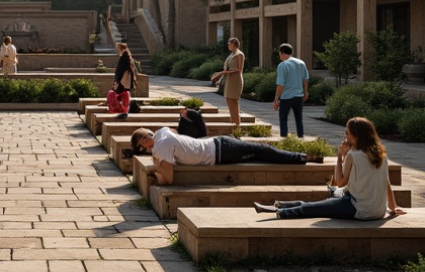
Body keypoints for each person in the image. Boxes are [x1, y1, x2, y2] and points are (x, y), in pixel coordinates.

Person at [254, 117, 406, 220]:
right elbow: (386, 183)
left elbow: (339, 182)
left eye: (347, 133)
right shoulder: (381, 154)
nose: (345, 136)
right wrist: (393, 207)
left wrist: (340, 156)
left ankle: (279, 212)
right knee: (322, 201)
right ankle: (279, 204)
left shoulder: (353, 155)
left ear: (356, 136)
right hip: (378, 210)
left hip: (359, 208)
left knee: (314, 208)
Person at [129, 126, 319, 186]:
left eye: (146, 134)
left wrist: (155, 172)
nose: (148, 136)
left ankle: (300, 157)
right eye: (144, 138)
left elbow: (168, 180)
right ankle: (299, 156)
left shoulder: (161, 146)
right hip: (218, 146)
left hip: (220, 150)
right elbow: (173, 132)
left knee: (261, 150)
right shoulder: (162, 137)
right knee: (259, 153)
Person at [272, 43, 309, 138]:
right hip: (298, 96)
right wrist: (305, 92)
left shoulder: (282, 65)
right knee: (299, 119)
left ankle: (284, 139)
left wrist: (276, 98)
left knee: (283, 119)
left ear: (282, 53)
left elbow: (280, 84)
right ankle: (301, 137)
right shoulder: (301, 63)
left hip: (286, 97)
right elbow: (305, 79)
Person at [210, 37, 245, 127]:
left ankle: (236, 126)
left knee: (234, 102)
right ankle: (233, 124)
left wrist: (222, 72)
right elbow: (228, 68)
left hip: (235, 81)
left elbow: (238, 69)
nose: (228, 45)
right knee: (229, 101)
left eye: (230, 43)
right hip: (229, 80)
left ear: (234, 44)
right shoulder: (232, 54)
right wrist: (221, 78)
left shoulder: (239, 54)